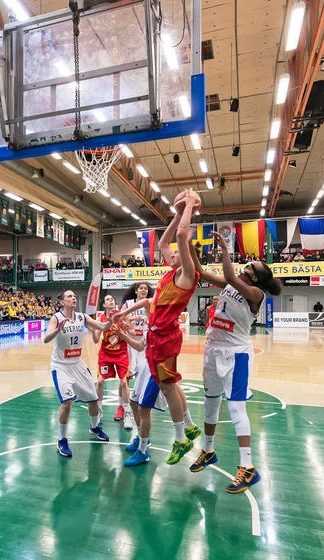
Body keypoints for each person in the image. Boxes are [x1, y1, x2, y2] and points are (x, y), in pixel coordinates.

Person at [188, 232, 282, 493]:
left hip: (236, 355)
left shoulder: (255, 294)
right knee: (210, 404)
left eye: (251, 267)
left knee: (236, 408)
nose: (247, 265)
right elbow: (202, 274)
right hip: (213, 350)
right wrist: (192, 248)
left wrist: (224, 249)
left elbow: (230, 276)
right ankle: (207, 451)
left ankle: (247, 467)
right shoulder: (231, 286)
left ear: (255, 278)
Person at [117, 189, 202, 465]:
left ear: (186, 257)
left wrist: (188, 205)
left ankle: (180, 439)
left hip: (165, 338)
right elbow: (165, 242)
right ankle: (188, 425)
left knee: (167, 388)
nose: (172, 254)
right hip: (154, 339)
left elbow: (179, 238)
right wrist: (176, 215)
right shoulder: (170, 273)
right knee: (172, 384)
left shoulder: (188, 276)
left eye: (179, 253)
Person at [44, 290, 112, 458]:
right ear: (62, 302)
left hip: (78, 364)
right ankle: (62, 440)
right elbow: (46, 339)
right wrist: (56, 331)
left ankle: (94, 427)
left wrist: (110, 321)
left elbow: (102, 327)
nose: (73, 298)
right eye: (69, 296)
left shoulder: (82, 317)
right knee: (67, 402)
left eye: (74, 296)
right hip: (61, 366)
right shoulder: (57, 318)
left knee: (94, 400)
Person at [114, 302, 168, 467]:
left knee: (144, 409)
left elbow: (146, 302)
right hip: (145, 366)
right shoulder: (148, 325)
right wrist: (122, 335)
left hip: (156, 368)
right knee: (134, 403)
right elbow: (139, 346)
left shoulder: (164, 324)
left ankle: (143, 451)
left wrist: (124, 313)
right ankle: (142, 438)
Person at [92, 295, 132, 430]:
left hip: (121, 354)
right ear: (104, 305)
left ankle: (127, 413)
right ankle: (99, 410)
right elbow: (96, 339)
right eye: (108, 299)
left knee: (124, 382)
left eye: (113, 299)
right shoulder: (100, 319)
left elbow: (132, 331)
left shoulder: (121, 315)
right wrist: (94, 330)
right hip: (106, 354)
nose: (110, 300)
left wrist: (127, 327)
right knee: (100, 382)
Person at [121, 282, 154, 382]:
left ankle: (140, 393)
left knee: (143, 369)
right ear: (136, 291)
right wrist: (131, 319)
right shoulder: (128, 304)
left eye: (146, 288)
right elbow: (121, 316)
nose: (144, 290)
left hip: (144, 340)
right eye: (141, 288)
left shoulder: (150, 303)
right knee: (128, 372)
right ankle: (125, 395)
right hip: (130, 341)